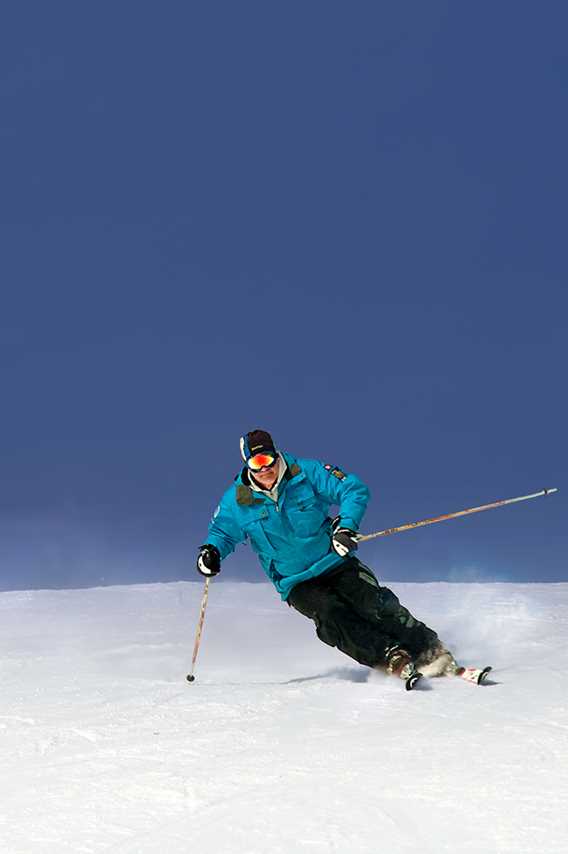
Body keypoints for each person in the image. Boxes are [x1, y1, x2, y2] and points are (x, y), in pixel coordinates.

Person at [196, 429, 455, 685]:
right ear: (247, 465)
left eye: (268, 459)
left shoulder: (305, 473)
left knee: (371, 603)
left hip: (334, 561)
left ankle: (428, 648)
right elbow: (222, 532)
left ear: (276, 455)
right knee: (331, 615)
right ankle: (389, 656)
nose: (265, 468)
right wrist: (212, 551)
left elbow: (353, 489)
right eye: (256, 462)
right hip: (295, 580)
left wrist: (346, 526)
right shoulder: (237, 500)